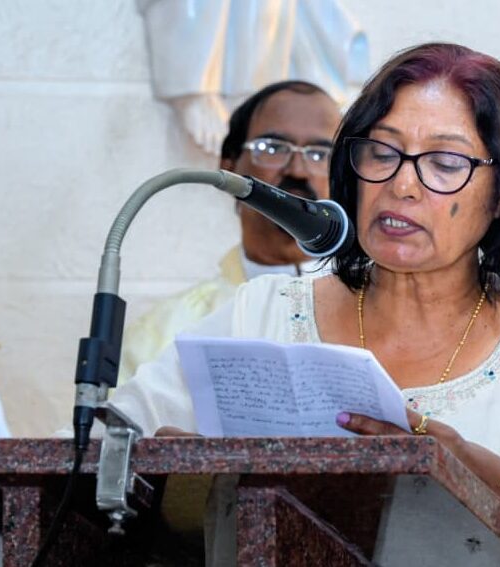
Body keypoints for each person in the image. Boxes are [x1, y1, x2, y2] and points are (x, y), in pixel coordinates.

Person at [109, 43, 500, 566]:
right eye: (383, 152)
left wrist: (476, 471)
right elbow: (102, 451)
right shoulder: (263, 316)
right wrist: (180, 472)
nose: (402, 184)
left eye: (445, 163)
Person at [118, 80, 341, 383]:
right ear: (230, 168)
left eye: (320, 154)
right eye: (273, 148)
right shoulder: (165, 335)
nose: (298, 170)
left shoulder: (378, 313)